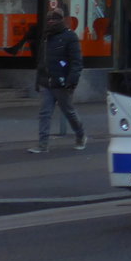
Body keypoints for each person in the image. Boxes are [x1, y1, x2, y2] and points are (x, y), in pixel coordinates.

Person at [27, 9, 86, 153]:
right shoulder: (46, 37)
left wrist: (71, 81)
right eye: (49, 19)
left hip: (62, 82)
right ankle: (43, 144)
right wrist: (38, 81)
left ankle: (80, 134)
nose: (51, 21)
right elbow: (42, 61)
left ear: (61, 20)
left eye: (55, 19)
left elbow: (76, 61)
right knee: (45, 113)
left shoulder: (69, 36)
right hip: (46, 81)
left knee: (68, 111)